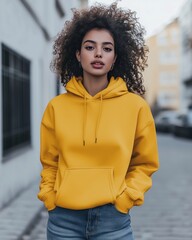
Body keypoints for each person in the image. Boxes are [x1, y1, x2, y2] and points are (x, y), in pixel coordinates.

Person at [37, 2, 159, 240]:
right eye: (90, 47)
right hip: (63, 220)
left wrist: (126, 199)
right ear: (77, 53)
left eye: (107, 48)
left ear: (114, 58)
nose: (98, 54)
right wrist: (49, 197)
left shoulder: (136, 107)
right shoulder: (57, 107)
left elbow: (145, 164)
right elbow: (50, 162)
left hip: (112, 220)